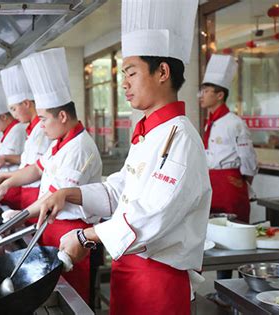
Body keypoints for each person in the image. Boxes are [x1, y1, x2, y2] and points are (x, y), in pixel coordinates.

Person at [36, 1, 211, 314]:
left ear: (162, 72)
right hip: (129, 272)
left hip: (158, 282)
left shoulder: (180, 137)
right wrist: (68, 193)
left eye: (131, 72)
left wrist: (87, 234)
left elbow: (152, 217)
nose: (124, 83)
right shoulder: (150, 134)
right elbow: (121, 191)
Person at [0, 47, 102, 303]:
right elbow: (36, 169)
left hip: (71, 236)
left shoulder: (80, 148)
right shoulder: (59, 142)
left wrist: (19, 216)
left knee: (70, 300)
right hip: (51, 229)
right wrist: (5, 182)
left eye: (43, 119)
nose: (40, 125)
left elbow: (53, 200)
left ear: (62, 116)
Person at [199, 54, 258, 223]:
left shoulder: (235, 123)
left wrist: (242, 182)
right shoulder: (210, 123)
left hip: (230, 185)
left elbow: (248, 158)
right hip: (210, 183)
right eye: (202, 91)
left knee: (234, 229)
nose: (202, 95)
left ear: (220, 95)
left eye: (207, 91)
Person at [0, 64, 52, 210]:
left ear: (26, 103)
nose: (14, 114)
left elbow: (37, 168)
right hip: (27, 191)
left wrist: (6, 179)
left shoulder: (42, 130)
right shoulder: (33, 129)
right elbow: (31, 163)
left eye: (14, 109)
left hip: (36, 193)